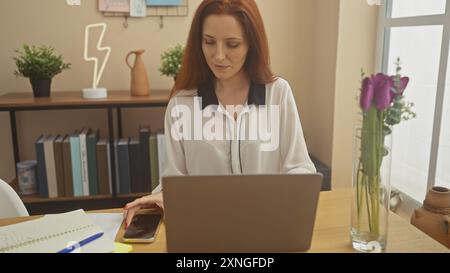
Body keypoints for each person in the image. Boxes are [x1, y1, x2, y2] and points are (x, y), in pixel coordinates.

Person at [123, 0, 316, 228]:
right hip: (203, 227)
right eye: (209, 42)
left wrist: (282, 197)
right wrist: (161, 197)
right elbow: (174, 180)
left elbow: (301, 168)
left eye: (232, 44)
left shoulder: (278, 93)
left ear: (251, 45)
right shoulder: (181, 104)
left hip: (266, 225)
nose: (218, 56)